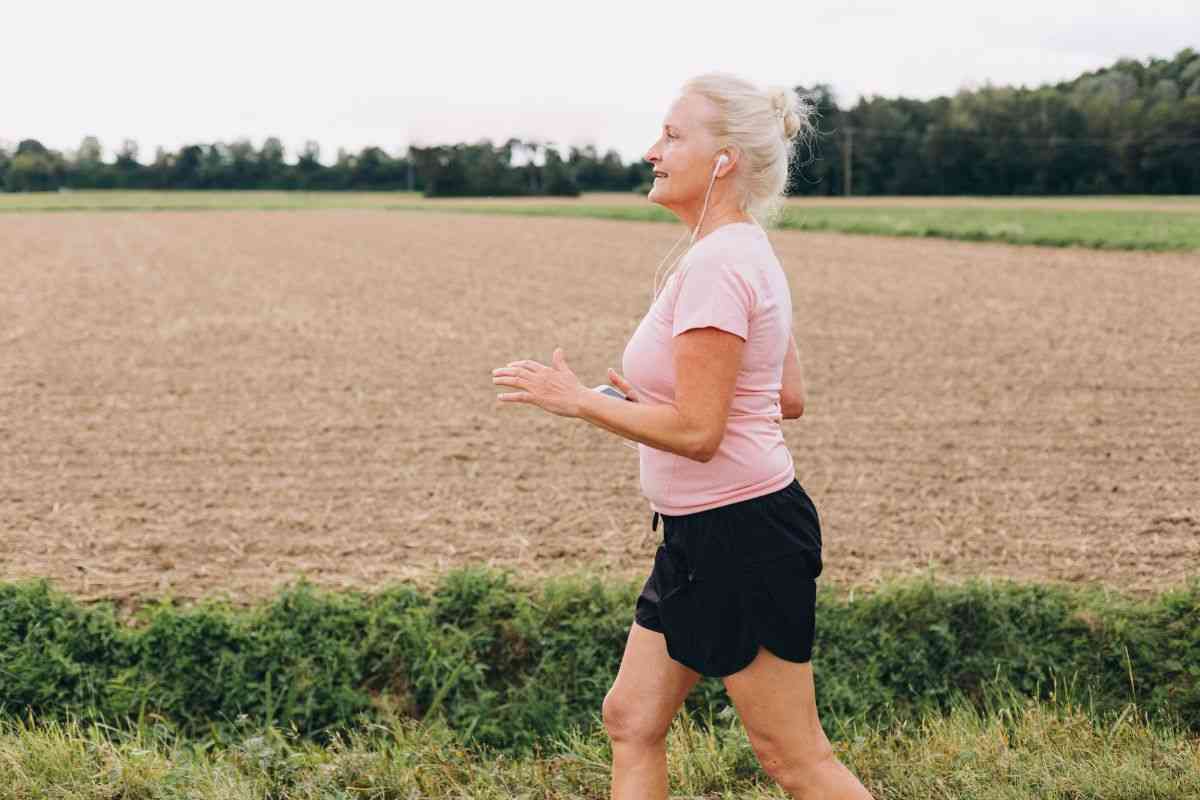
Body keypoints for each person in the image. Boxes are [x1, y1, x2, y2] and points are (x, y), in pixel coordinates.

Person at [491, 72, 874, 800]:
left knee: (794, 757)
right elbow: (784, 397)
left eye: (672, 136)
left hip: (743, 536)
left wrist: (579, 402)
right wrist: (640, 400)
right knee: (631, 718)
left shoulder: (717, 266)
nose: (652, 152)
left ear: (724, 159)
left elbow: (699, 433)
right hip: (701, 536)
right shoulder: (743, 250)